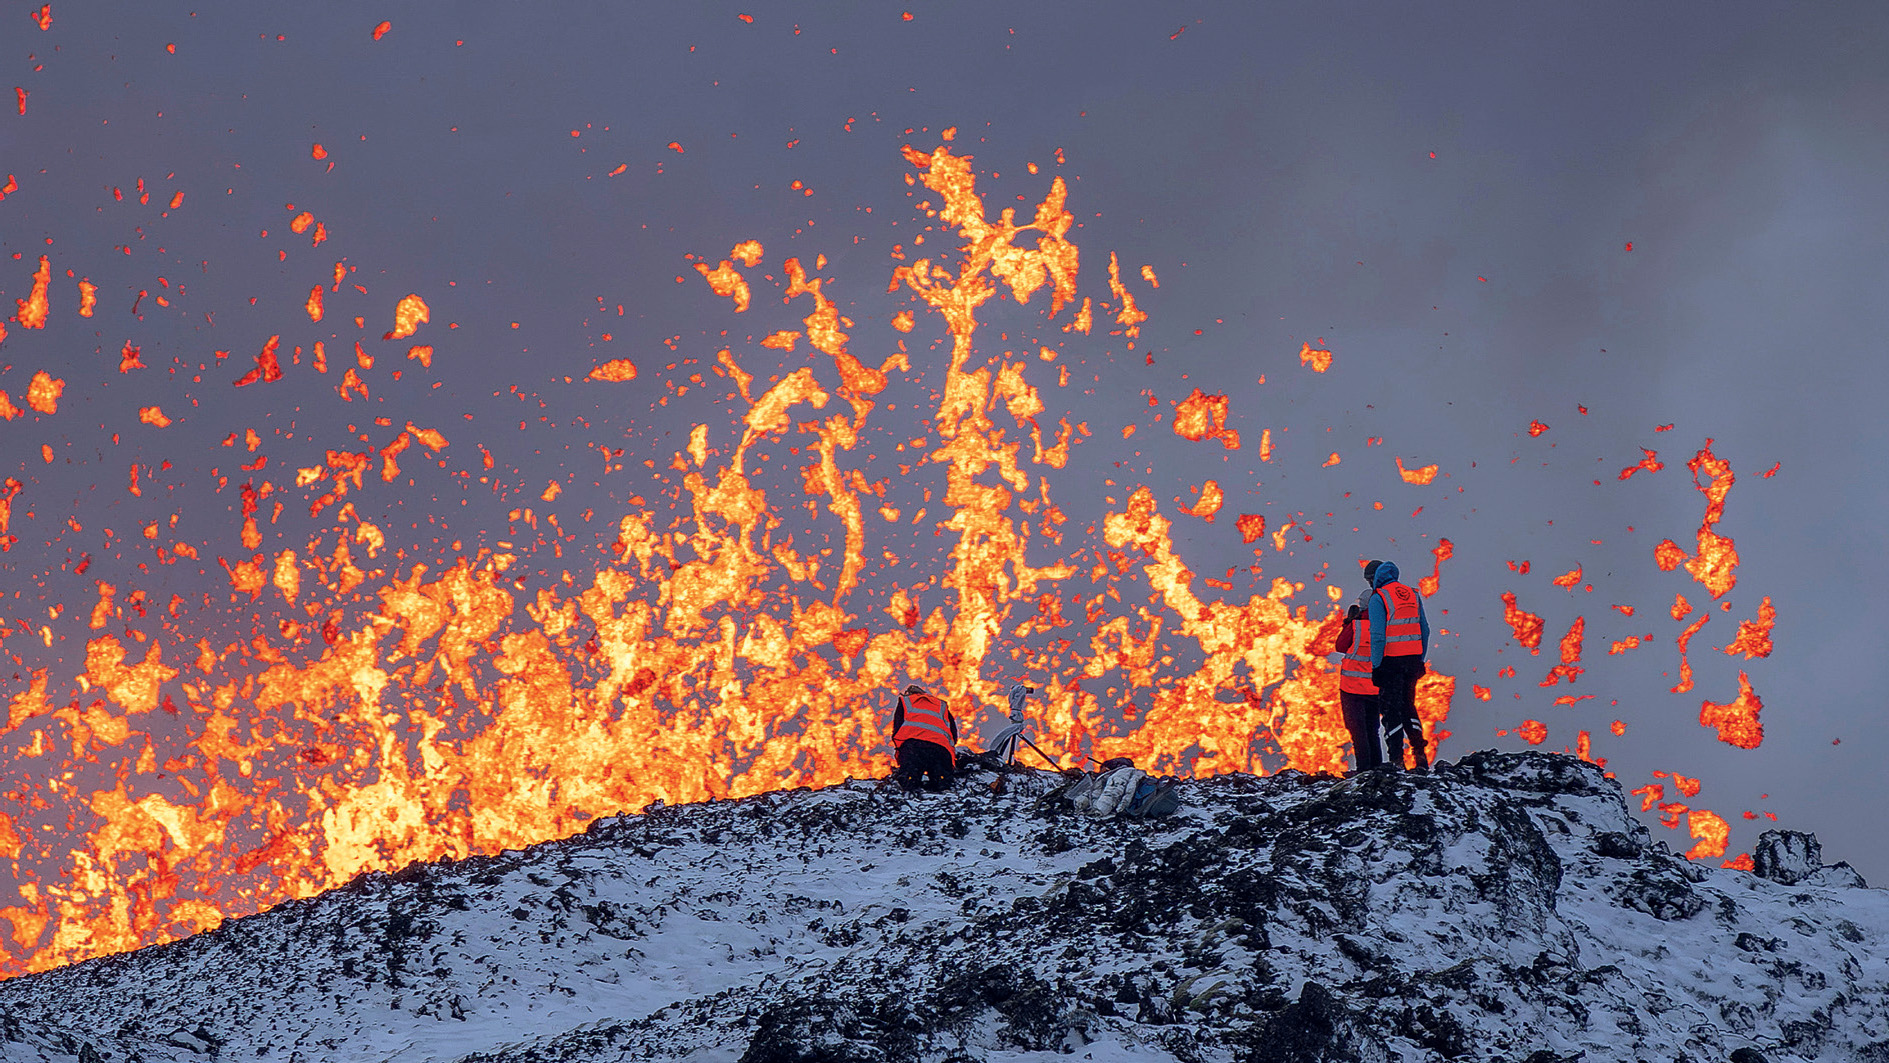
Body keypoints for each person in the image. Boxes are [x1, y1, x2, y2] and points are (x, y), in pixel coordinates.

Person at [1366, 560, 1431, 772]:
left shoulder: (1379, 598)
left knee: (1390, 710)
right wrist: (1419, 658)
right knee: (1408, 706)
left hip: (1391, 663)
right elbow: (1425, 630)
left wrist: (1377, 666)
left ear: (1374, 579)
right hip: (1412, 661)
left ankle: (1396, 760)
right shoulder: (1412, 594)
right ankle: (1420, 755)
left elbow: (1377, 636)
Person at [1332, 599, 1384, 773]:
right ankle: (1376, 767)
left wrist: (1347, 624)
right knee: (1372, 729)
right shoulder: (1385, 625)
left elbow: (1340, 646)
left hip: (1352, 688)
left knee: (1358, 730)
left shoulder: (1356, 626)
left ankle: (1363, 769)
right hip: (1375, 687)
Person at [890, 682, 958, 792]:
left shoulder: (906, 701)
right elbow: (953, 733)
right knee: (942, 786)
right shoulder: (940, 705)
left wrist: (900, 750)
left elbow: (898, 726)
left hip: (914, 747)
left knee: (908, 784)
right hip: (940, 749)